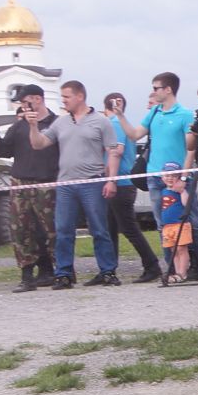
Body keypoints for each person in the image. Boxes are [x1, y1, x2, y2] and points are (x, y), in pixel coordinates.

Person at [27, 80, 122, 288]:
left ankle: (107, 271)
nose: (64, 101)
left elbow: (112, 152)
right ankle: (64, 273)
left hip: (92, 182)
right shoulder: (60, 122)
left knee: (99, 229)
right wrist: (33, 126)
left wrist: (111, 180)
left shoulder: (101, 121)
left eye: (67, 97)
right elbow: (39, 144)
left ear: (80, 96)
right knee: (63, 230)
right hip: (66, 184)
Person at [126, 72, 198, 282]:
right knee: (163, 225)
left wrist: (184, 177)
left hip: (179, 175)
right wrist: (121, 116)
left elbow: (191, 149)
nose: (153, 91)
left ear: (168, 89)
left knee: (192, 221)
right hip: (156, 175)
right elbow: (134, 135)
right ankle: (173, 269)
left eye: (156, 87)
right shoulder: (154, 113)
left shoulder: (185, 114)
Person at [0, 85, 60, 292]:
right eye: (22, 104)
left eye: (26, 102)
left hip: (47, 182)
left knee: (50, 230)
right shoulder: (19, 126)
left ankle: (57, 271)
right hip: (21, 182)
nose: (24, 107)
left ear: (38, 99)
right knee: (21, 230)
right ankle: (27, 275)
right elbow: (2, 151)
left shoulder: (56, 123)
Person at [101, 91, 165, 284]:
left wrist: (108, 176)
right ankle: (108, 268)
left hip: (121, 183)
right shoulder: (122, 124)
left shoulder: (114, 124)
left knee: (128, 227)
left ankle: (151, 265)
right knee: (110, 227)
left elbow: (117, 150)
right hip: (120, 182)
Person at [155, 163, 194, 285]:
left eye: (173, 175)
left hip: (180, 224)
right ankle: (178, 273)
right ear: (162, 177)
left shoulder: (180, 191)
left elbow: (186, 204)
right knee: (174, 250)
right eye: (167, 175)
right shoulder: (163, 191)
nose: (170, 178)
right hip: (168, 226)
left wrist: (182, 192)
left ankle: (183, 273)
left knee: (181, 248)